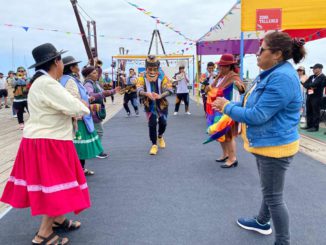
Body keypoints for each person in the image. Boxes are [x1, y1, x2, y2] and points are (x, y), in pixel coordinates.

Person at [213, 32, 306, 245]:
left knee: (274, 197)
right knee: (270, 190)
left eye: (261, 49)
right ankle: (263, 222)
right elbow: (249, 104)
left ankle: (283, 241)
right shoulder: (271, 72)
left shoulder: (281, 77)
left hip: (275, 147)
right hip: (267, 144)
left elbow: (257, 115)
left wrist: (226, 106)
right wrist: (228, 105)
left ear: (277, 54)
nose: (257, 54)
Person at [0, 43, 91, 245]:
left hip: (43, 139)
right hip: (49, 141)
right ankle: (43, 234)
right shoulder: (47, 84)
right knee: (55, 186)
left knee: (54, 185)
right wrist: (83, 106)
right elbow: (74, 107)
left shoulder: (41, 82)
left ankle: (57, 219)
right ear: (57, 62)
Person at [60, 56, 104, 176]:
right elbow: (73, 99)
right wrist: (88, 106)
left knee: (78, 147)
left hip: (78, 116)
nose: (78, 67)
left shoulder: (65, 79)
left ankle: (79, 169)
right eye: (76, 65)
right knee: (79, 147)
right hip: (78, 118)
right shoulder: (69, 80)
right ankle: (77, 170)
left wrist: (87, 99)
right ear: (71, 67)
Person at [206, 54, 245, 168]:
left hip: (228, 110)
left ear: (229, 66)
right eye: (220, 66)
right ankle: (225, 154)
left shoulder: (233, 76)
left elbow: (242, 88)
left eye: (223, 66)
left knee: (228, 135)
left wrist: (240, 86)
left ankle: (232, 159)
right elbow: (211, 88)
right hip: (217, 109)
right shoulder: (220, 76)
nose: (220, 68)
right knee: (220, 134)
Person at [136, 55, 173, 155]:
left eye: (155, 69)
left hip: (162, 104)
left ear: (158, 68)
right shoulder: (141, 77)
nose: (152, 72)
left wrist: (160, 96)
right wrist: (146, 94)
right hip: (149, 104)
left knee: (163, 122)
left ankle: (160, 136)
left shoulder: (163, 77)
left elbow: (170, 90)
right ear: (146, 68)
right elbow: (138, 89)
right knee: (152, 124)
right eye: (150, 69)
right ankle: (154, 144)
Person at [83, 66, 120, 159]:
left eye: (97, 73)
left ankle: (94, 150)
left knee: (95, 131)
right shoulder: (88, 84)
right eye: (94, 73)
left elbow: (103, 92)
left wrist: (113, 91)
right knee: (99, 131)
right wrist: (104, 93)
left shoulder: (95, 83)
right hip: (93, 111)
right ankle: (97, 151)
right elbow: (90, 95)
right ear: (88, 75)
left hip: (96, 110)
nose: (97, 75)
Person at [301, 63, 326, 132]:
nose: (313, 70)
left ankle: (315, 127)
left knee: (315, 112)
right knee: (309, 111)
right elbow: (305, 84)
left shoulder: (323, 77)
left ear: (320, 69)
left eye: (315, 68)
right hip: (309, 95)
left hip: (317, 97)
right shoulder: (312, 76)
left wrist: (310, 85)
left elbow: (316, 84)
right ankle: (309, 125)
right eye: (313, 68)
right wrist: (311, 86)